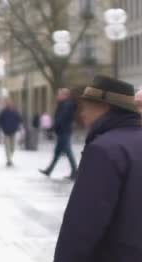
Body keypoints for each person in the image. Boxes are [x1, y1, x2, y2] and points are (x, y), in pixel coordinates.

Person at [54, 75, 142, 262]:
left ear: (105, 107)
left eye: (86, 107)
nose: (82, 114)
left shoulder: (104, 149)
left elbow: (83, 224)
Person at [39, 88, 78, 180]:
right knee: (57, 153)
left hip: (64, 131)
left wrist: (53, 128)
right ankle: (49, 170)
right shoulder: (64, 104)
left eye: (59, 94)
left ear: (65, 96)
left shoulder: (66, 105)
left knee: (68, 151)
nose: (57, 96)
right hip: (63, 131)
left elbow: (61, 119)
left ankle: (75, 172)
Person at [0, 100, 22, 167]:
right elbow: (0, 120)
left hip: (13, 131)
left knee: (13, 147)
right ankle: (9, 160)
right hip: (6, 132)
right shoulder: (4, 112)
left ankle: (9, 158)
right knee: (7, 147)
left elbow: (19, 119)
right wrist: (2, 128)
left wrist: (17, 126)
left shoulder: (15, 112)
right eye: (8, 104)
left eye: (11, 104)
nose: (10, 105)